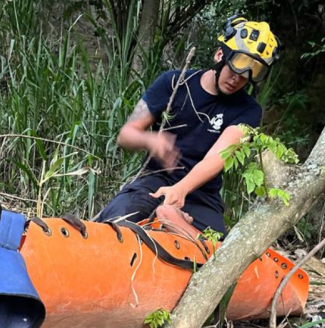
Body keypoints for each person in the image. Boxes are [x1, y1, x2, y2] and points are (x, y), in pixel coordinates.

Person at [97, 16, 280, 237]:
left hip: (202, 195)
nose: (238, 79)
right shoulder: (173, 83)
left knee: (215, 253)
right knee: (117, 221)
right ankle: (172, 222)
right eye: (235, 68)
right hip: (155, 180)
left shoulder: (249, 110)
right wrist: (150, 139)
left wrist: (180, 190)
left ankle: (175, 222)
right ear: (220, 55)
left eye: (250, 74)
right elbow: (126, 135)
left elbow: (219, 156)